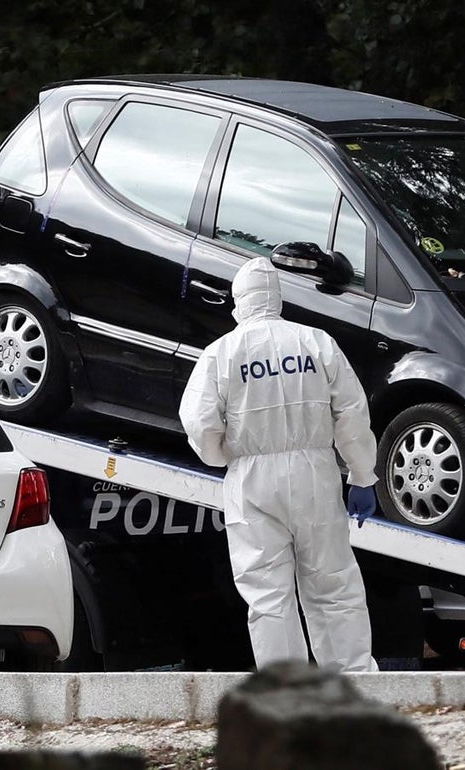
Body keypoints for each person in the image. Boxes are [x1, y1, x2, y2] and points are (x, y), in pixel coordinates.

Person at [178, 256, 379, 672]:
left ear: (238, 302)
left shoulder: (222, 353)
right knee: (333, 585)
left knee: (268, 596)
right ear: (277, 298)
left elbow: (198, 422)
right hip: (316, 475)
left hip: (251, 480)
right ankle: (355, 683)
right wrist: (362, 475)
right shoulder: (316, 342)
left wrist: (222, 457)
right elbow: (352, 413)